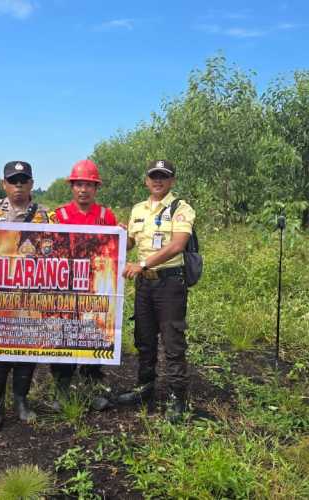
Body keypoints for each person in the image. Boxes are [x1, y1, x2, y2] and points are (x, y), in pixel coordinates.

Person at [117, 160, 195, 423]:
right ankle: (145, 388)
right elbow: (129, 244)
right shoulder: (138, 209)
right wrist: (118, 236)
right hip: (144, 284)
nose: (158, 181)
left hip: (169, 283)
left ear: (172, 181)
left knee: (173, 341)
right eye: (154, 176)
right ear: (146, 180)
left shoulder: (180, 208)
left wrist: (142, 264)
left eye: (163, 176)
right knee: (144, 338)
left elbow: (177, 245)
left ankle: (177, 397)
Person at [0, 160, 50, 432]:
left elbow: (59, 249)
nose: (18, 185)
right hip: (0, 295)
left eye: (23, 180)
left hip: (32, 295)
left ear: (31, 184)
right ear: (4, 184)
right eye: (12, 181)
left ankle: (21, 400)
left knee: (28, 349)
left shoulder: (45, 215)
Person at [47, 159, 117, 412]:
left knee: (93, 336)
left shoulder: (106, 216)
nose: (83, 190)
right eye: (78, 184)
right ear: (72, 187)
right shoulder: (57, 216)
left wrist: (124, 236)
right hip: (65, 288)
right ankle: (62, 389)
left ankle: (90, 388)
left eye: (89, 185)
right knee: (64, 336)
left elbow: (118, 250)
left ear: (96, 188)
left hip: (95, 288)